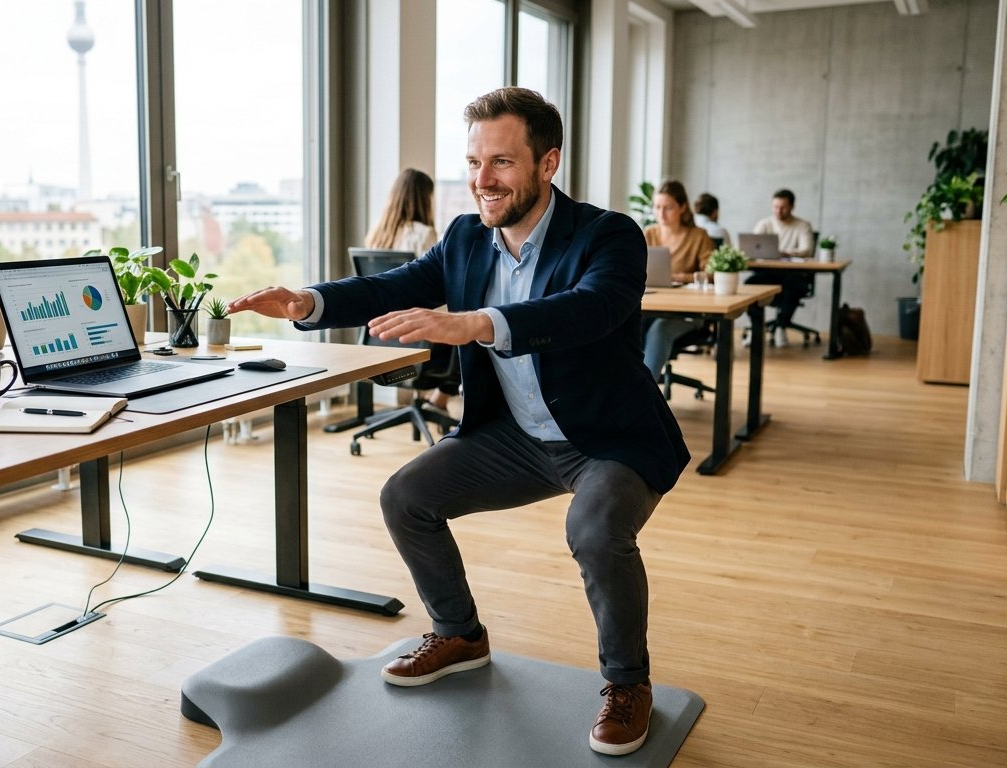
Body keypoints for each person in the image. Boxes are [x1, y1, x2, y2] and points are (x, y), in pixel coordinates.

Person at [228, 87, 689, 757]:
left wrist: (476, 323)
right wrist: (306, 301)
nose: (482, 180)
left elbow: (590, 309)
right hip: (518, 438)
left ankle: (628, 684)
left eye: (501, 162)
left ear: (547, 163)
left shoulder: (607, 234)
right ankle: (460, 634)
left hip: (606, 439)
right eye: (473, 162)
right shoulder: (467, 240)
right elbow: (393, 286)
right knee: (406, 497)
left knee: (592, 529)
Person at [365, 168, 456, 411]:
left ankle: (434, 402)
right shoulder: (424, 233)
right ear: (424, 198)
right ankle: (439, 401)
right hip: (414, 336)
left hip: (381, 336)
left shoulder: (377, 235)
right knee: (468, 334)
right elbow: (429, 290)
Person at [641, 180, 717, 382]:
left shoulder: (698, 236)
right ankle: (621, 389)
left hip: (688, 313)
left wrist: (678, 277)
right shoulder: (649, 233)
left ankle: (645, 394)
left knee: (659, 328)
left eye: (668, 207)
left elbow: (710, 274)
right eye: (657, 207)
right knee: (629, 324)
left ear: (683, 207)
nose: (661, 213)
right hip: (653, 306)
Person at [745, 188, 815, 347]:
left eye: (783, 207)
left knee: (793, 285)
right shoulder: (764, 224)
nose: (779, 211)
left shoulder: (802, 226)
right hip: (767, 273)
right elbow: (751, 248)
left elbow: (807, 250)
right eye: (775, 207)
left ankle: (781, 327)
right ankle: (756, 329)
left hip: (793, 273)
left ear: (792, 207)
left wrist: (783, 253)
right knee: (750, 284)